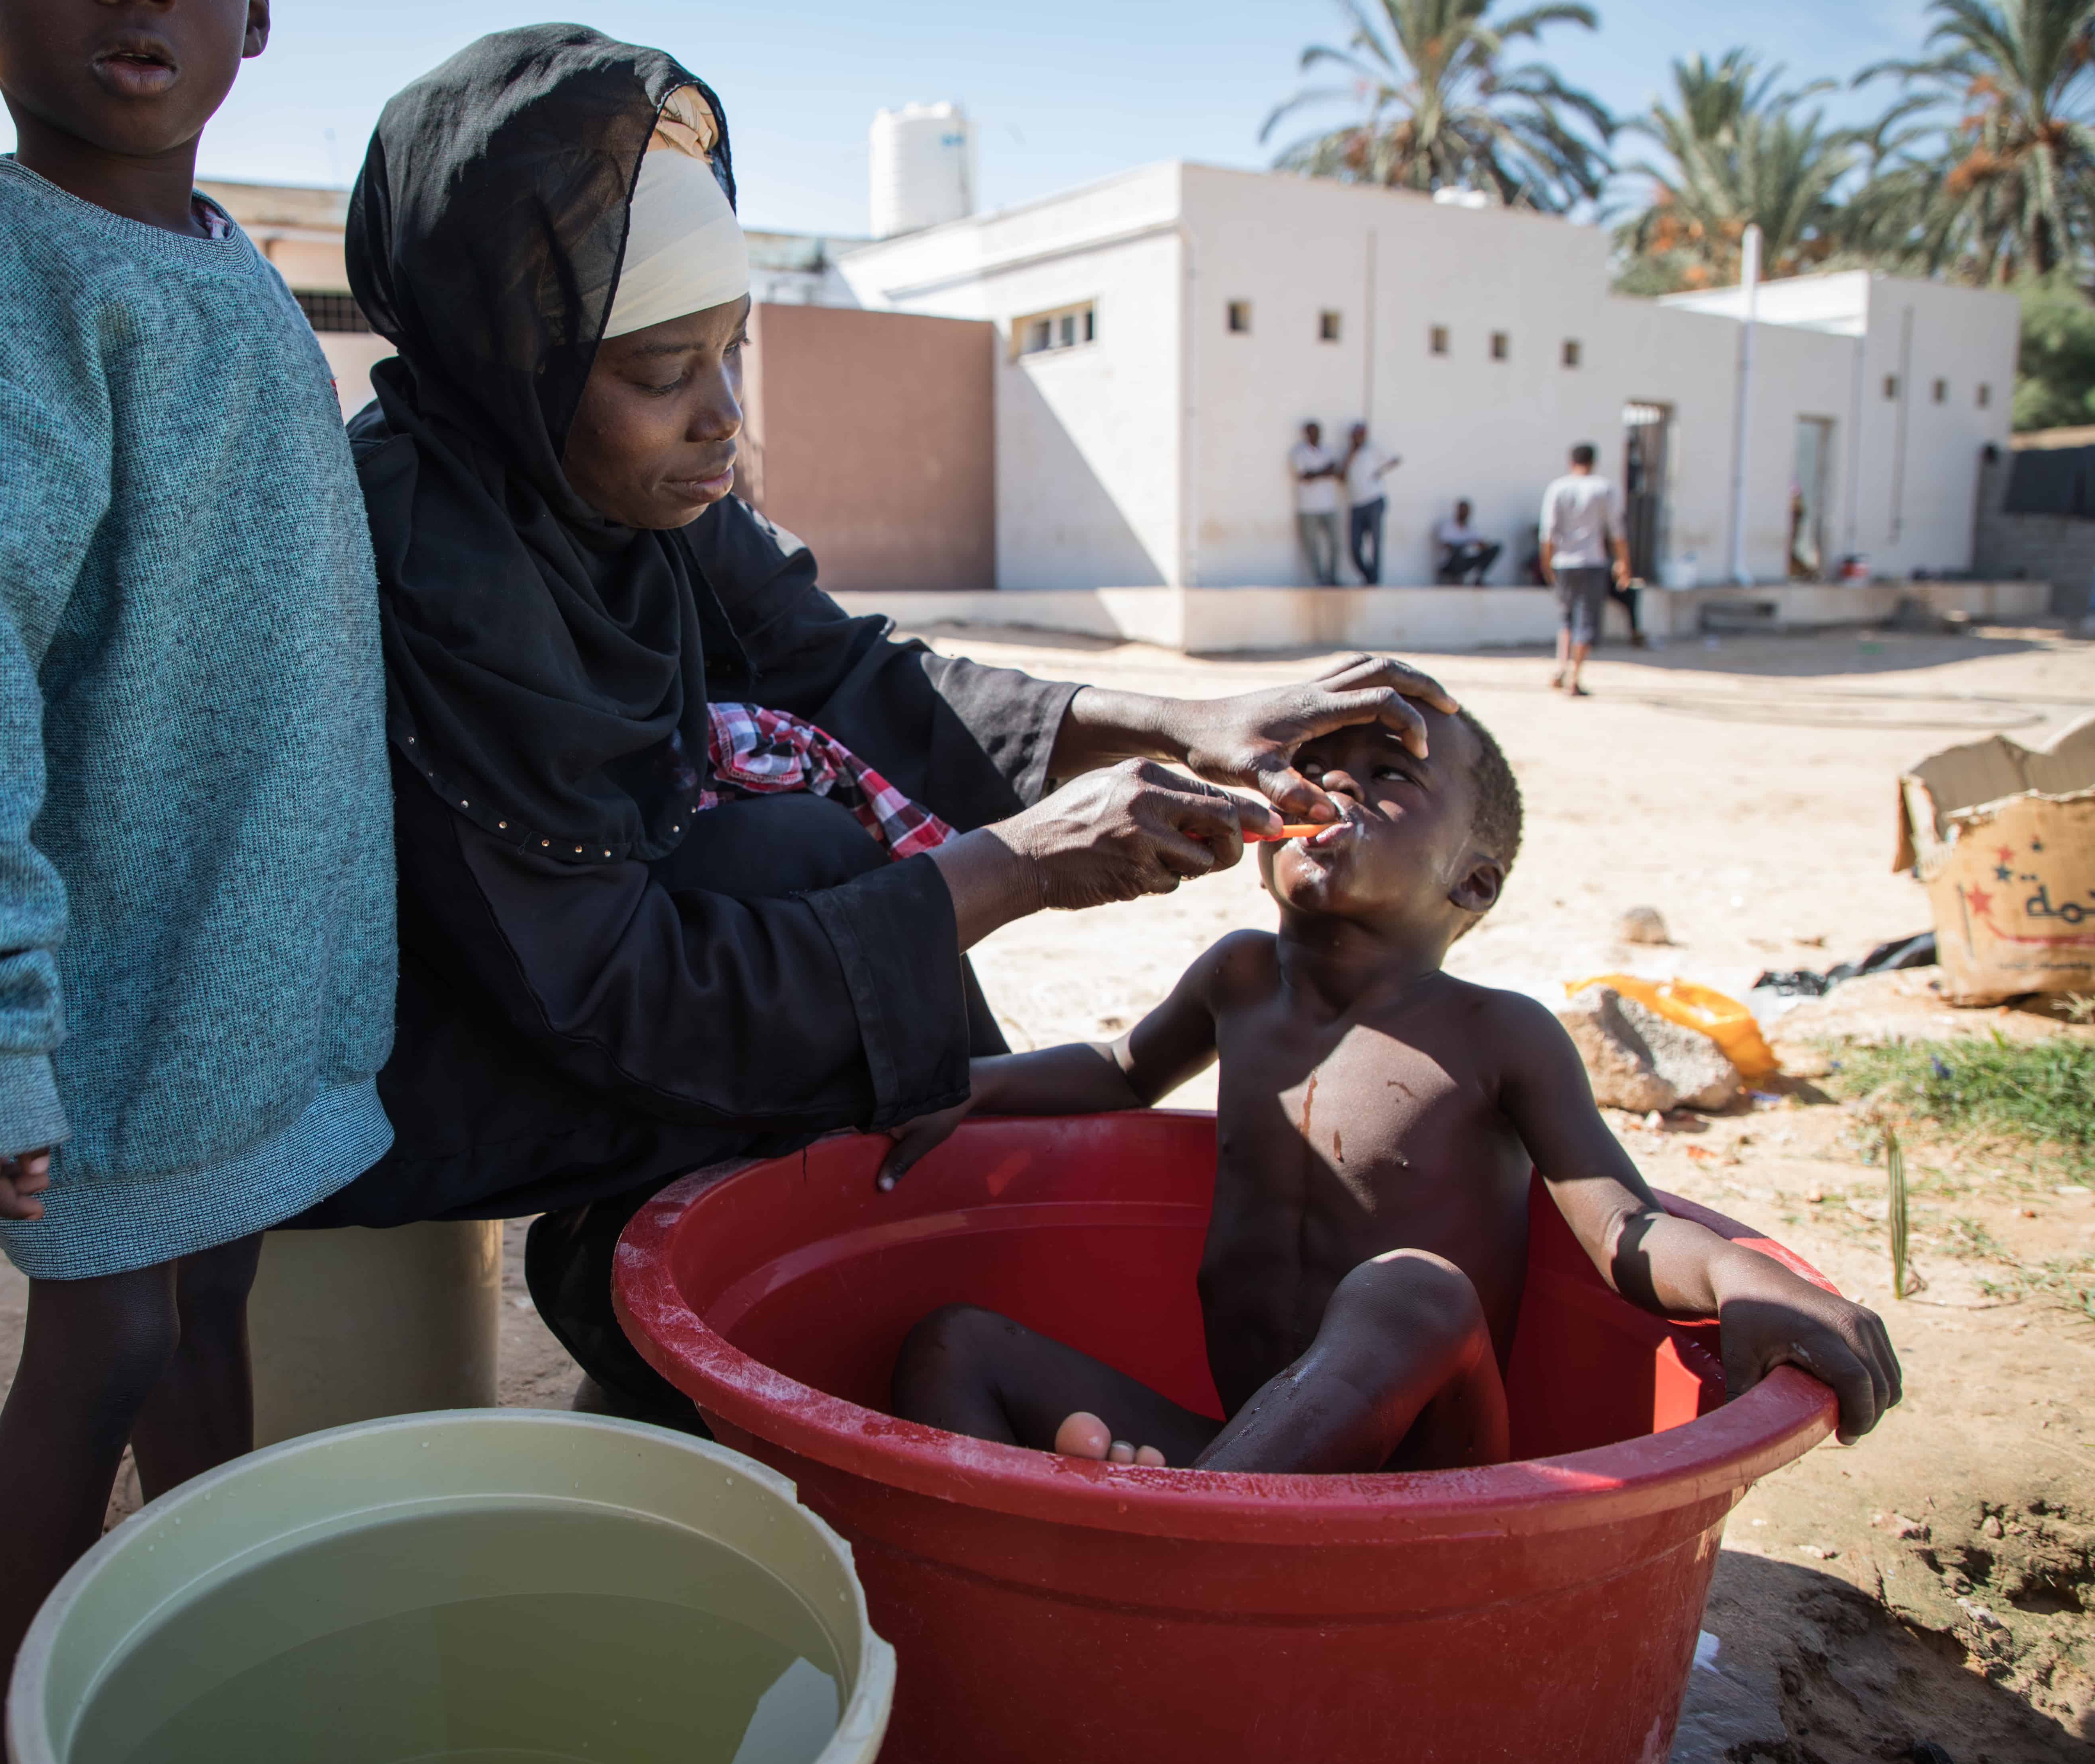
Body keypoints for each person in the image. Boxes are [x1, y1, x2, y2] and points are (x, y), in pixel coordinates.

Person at [301, 25, 1464, 1439]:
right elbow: (615, 992)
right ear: (520, 364)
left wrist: (1191, 715)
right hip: (416, 1053)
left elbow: (851, 674)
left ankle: (798, 1326)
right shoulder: (437, 567)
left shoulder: (612, 491)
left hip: (581, 979)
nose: (721, 419)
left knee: (805, 866)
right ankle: (656, 1307)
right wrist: (1018, 867)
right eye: (663, 372)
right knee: (817, 921)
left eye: (729, 354)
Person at [0, 2, 380, 1764]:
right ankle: (17, 1741)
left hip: (241, 964)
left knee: (208, 1307)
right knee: (112, 1333)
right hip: (108, 975)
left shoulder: (238, 274)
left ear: (263, 16)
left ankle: (216, 1681)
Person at [884, 702, 1901, 1471]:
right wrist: (959, 1085)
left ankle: (1178, 1540)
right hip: (1248, 1451)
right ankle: (1043, 1567)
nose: (1333, 791)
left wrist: (1739, 1278)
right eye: (1312, 771)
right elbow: (1117, 1072)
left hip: (1426, 1478)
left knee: (1407, 1288)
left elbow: (1621, 1224)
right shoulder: (1239, 978)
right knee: (956, 1345)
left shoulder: (1497, 1034)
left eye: (1385, 776)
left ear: (1472, 881)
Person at [1539, 442, 1628, 697]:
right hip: (1592, 562)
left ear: (1571, 461)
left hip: (1563, 563)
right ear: (1594, 462)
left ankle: (1560, 669)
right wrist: (1624, 563)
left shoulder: (1558, 488)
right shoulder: (1604, 489)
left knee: (1566, 617)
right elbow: (1617, 530)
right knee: (1586, 619)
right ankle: (1574, 678)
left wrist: (1546, 563)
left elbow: (1548, 532)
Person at [1341, 420, 1401, 587]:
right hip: (1356, 504)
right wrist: (1350, 456)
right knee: (1355, 545)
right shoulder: (1349, 454)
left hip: (1374, 500)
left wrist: (1380, 472)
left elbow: (1396, 459)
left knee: (1376, 542)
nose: (1358, 438)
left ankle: (1375, 580)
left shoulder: (1373, 448)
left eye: (1360, 434)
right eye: (1355, 435)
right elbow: (1342, 475)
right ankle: (1368, 575)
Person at [1289, 420, 1341, 585]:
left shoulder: (1328, 450)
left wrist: (1316, 474)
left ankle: (1332, 578)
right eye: (1312, 431)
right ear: (1306, 434)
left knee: (1336, 543)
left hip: (1329, 506)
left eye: (1317, 431)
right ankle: (1319, 579)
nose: (1315, 434)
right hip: (1308, 507)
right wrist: (1325, 472)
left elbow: (1335, 471)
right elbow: (1304, 477)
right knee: (1312, 546)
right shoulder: (1298, 453)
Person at [1434, 498, 1500, 585]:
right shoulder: (1448, 526)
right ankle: (1456, 579)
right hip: (1451, 562)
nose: (1464, 513)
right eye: (1462, 510)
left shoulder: (1471, 527)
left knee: (1494, 549)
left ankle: (1478, 578)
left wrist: (1483, 546)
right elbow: (1446, 545)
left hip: (1466, 560)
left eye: (1466, 511)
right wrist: (1466, 545)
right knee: (1458, 550)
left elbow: (1478, 542)